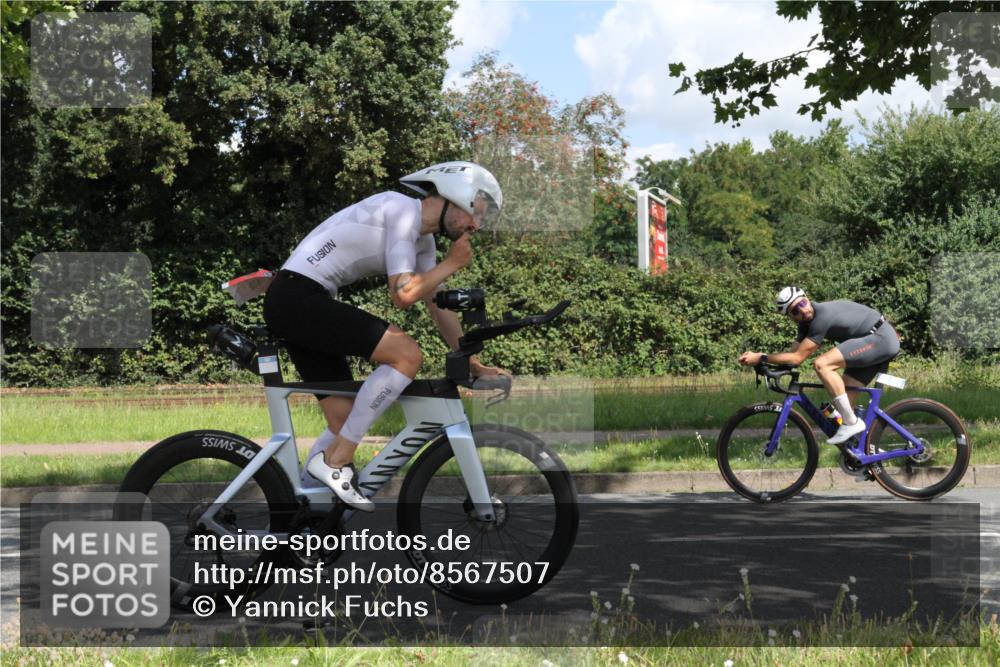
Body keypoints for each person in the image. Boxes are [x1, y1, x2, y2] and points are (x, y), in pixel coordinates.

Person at [262, 161, 509, 511]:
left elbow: (437, 306)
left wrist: (472, 361)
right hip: (297, 298)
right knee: (407, 354)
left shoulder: (422, 243)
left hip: (300, 300)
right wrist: (452, 263)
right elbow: (403, 294)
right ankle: (336, 462)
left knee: (342, 421)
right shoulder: (401, 210)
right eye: (475, 213)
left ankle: (304, 517)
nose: (477, 225)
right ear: (454, 199)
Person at [738, 286, 900, 445]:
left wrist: (761, 357)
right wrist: (767, 364)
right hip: (868, 340)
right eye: (795, 310)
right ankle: (861, 454)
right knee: (844, 394)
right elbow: (791, 356)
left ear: (807, 298)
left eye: (802, 303)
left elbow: (797, 358)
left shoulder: (821, 317)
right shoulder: (805, 324)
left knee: (822, 364)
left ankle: (852, 423)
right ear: (791, 317)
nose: (803, 310)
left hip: (880, 338)